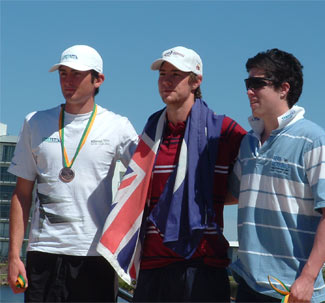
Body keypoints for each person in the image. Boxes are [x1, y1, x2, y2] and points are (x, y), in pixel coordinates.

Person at [97, 46, 247, 302]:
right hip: (153, 264)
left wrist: (321, 145)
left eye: (176, 74)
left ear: (196, 81)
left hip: (203, 263)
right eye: (162, 74)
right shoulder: (150, 132)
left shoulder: (223, 130)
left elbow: (262, 161)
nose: (166, 80)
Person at [7, 45, 139, 302]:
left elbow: (146, 181)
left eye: (77, 74)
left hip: (95, 257)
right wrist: (14, 256)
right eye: (63, 73)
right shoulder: (35, 122)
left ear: (98, 79)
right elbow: (22, 194)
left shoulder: (117, 127)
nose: (68, 81)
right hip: (43, 254)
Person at [227, 48, 325, 303]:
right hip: (248, 286)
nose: (249, 90)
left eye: (257, 83)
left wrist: (308, 278)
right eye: (248, 83)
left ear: (284, 88)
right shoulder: (248, 143)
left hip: (292, 292)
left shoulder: (314, 139)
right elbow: (231, 195)